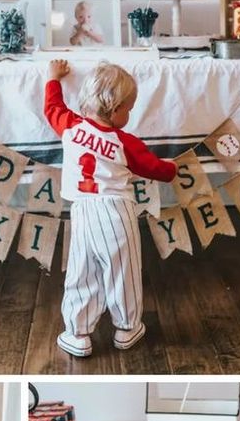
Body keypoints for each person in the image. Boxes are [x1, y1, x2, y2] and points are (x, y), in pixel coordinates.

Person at [44, 59, 177, 358]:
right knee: (123, 272)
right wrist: (173, 169)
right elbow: (152, 167)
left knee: (82, 272)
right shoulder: (124, 142)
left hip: (81, 211)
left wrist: (53, 79)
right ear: (115, 109)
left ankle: (77, 333)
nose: (129, 114)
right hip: (117, 211)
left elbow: (52, 108)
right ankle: (127, 328)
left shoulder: (70, 126)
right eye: (129, 108)